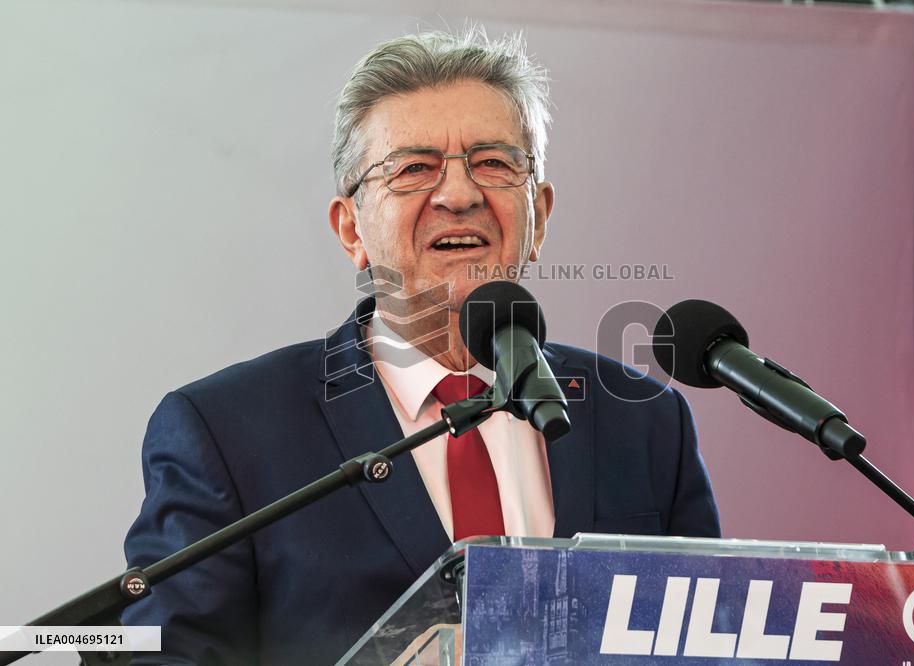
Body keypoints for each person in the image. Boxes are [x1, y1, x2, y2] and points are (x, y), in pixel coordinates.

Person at [122, 28, 720, 664]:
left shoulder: (642, 419)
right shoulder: (227, 433)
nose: (459, 195)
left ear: (539, 216)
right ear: (351, 228)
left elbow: (714, 641)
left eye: (494, 163)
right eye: (413, 169)